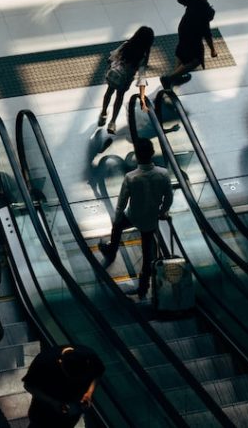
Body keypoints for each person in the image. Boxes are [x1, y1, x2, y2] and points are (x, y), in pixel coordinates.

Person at [97, 137, 173, 299]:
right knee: (147, 256)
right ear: (152, 153)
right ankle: (143, 289)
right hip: (150, 220)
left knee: (117, 228)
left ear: (137, 156)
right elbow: (169, 198)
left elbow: (121, 202)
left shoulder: (131, 177)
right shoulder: (163, 174)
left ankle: (111, 251)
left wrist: (117, 218)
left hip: (133, 215)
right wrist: (162, 212)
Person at [22, 344, 104, 428]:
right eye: (70, 376)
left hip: (71, 410)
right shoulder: (44, 362)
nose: (74, 381)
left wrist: (89, 393)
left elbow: (98, 373)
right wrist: (53, 402)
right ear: (60, 361)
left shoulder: (91, 358)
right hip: (44, 411)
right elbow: (28, 385)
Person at [161, 0, 220, 90]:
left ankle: (175, 77)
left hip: (184, 27)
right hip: (194, 35)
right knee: (195, 60)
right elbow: (206, 31)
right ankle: (169, 78)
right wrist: (212, 48)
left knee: (182, 51)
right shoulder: (207, 11)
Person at [98, 26, 154, 136]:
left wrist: (112, 65)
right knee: (119, 98)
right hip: (125, 80)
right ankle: (112, 122)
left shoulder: (127, 44)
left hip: (114, 75)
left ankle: (103, 114)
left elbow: (111, 58)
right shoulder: (143, 55)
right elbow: (142, 75)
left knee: (109, 92)